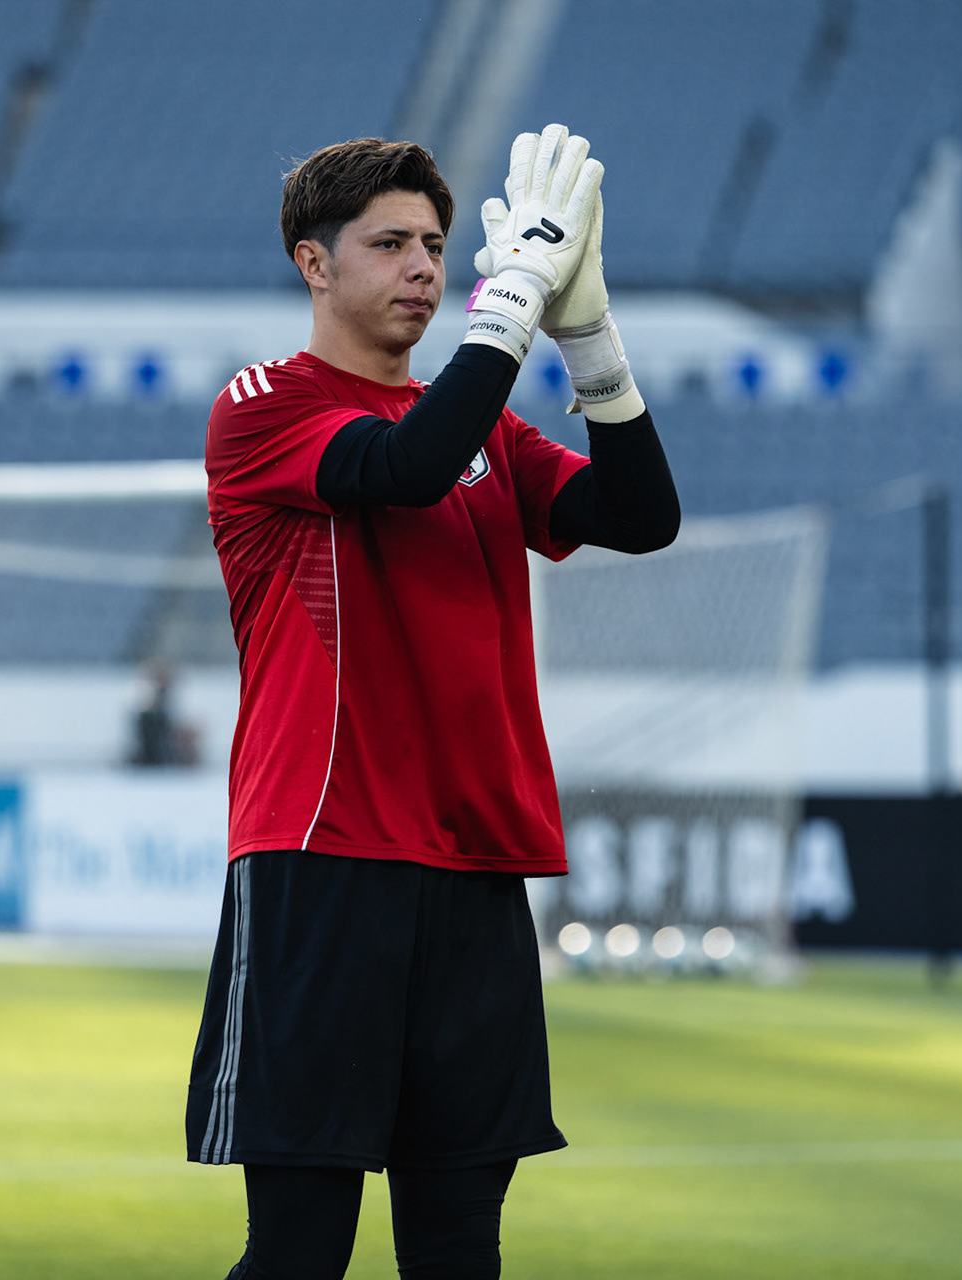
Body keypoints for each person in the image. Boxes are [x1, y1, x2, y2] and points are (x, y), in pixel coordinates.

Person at [189, 126, 679, 1279]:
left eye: (438, 245)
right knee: (300, 1251)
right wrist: (509, 300)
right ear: (314, 265)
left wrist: (589, 338)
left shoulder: (491, 434)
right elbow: (403, 470)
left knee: (461, 1250)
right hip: (325, 856)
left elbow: (642, 514)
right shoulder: (263, 404)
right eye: (391, 243)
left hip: (472, 868)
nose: (424, 264)